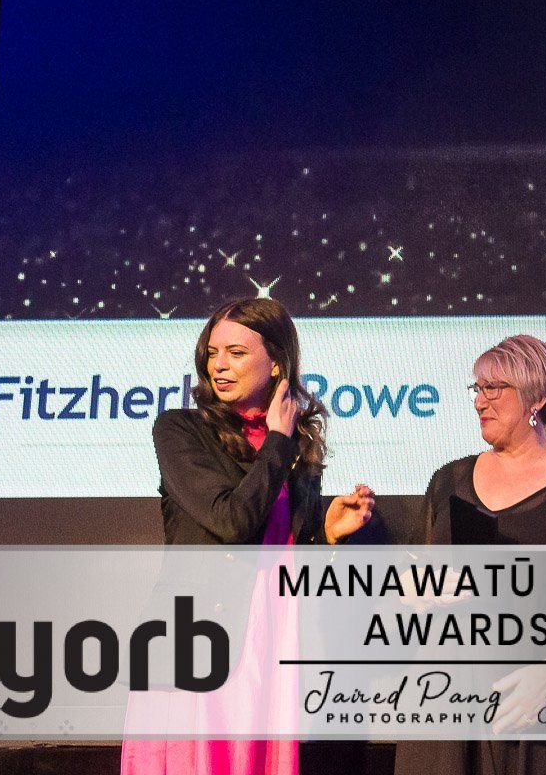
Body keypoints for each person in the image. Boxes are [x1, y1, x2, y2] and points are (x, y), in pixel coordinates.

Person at [121, 296, 375, 775]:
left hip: (272, 638)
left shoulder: (296, 445)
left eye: (236, 353)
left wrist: (325, 532)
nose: (218, 365)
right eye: (212, 353)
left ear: (276, 361)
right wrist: (277, 441)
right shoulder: (180, 429)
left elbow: (281, 550)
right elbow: (232, 522)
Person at [393, 334, 546, 775]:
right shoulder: (449, 481)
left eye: (493, 388)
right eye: (477, 388)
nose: (479, 401)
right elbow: (411, 579)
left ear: (536, 398)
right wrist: (415, 593)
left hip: (535, 714)